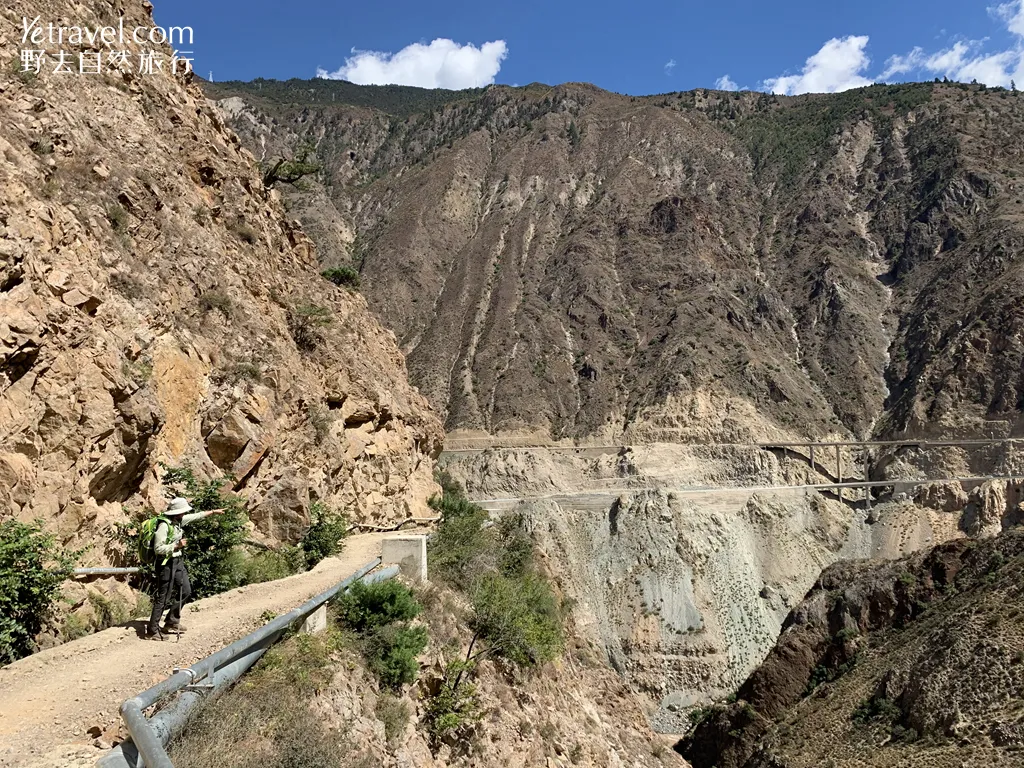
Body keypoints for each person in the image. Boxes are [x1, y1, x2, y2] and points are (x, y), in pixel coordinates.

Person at [147, 497, 225, 641]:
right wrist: (177, 545)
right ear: (176, 513)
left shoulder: (178, 521)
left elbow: (196, 516)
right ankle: (152, 630)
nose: (184, 514)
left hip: (177, 561)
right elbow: (158, 549)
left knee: (186, 590)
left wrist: (213, 512)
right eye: (183, 511)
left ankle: (172, 621)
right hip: (166, 563)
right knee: (163, 597)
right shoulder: (164, 526)